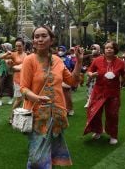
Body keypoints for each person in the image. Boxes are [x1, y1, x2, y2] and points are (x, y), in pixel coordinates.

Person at [20, 26, 83, 167]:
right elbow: (23, 88)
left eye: (44, 36)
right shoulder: (29, 60)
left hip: (56, 115)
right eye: (37, 37)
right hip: (37, 115)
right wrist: (37, 98)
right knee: (36, 158)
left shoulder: (58, 60)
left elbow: (72, 81)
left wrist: (79, 62)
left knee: (51, 154)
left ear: (51, 40)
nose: (40, 39)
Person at [84, 41, 125, 145]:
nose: (108, 49)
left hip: (113, 93)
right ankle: (98, 131)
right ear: (104, 49)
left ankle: (113, 135)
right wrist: (91, 74)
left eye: (111, 48)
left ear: (115, 49)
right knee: (95, 112)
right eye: (107, 47)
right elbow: (89, 71)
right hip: (98, 91)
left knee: (112, 114)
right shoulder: (97, 60)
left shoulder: (121, 63)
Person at [0, 38, 27, 123]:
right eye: (16, 46)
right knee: (19, 99)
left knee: (24, 99)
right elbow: (0, 57)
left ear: (23, 46)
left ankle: (21, 116)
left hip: (26, 78)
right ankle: (11, 117)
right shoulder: (13, 54)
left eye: (20, 46)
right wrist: (6, 54)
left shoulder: (26, 55)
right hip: (17, 79)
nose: (18, 47)